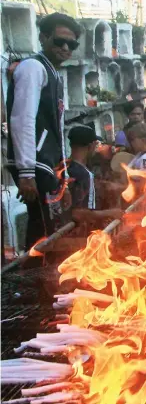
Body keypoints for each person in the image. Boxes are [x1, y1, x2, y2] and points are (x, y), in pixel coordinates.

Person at [6, 13, 83, 254]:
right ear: (43, 37)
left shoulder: (53, 73)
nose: (65, 48)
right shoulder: (33, 68)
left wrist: (64, 177)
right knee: (42, 231)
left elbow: (57, 129)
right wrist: (26, 172)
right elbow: (22, 118)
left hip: (47, 163)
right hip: (34, 163)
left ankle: (39, 279)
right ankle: (32, 282)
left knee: (49, 227)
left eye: (71, 44)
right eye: (59, 41)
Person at [66, 125, 124, 233]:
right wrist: (111, 213)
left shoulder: (64, 168)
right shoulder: (85, 174)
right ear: (91, 145)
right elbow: (80, 213)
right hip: (78, 238)